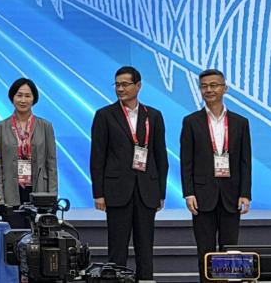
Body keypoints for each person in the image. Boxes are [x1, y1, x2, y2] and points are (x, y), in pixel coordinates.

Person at [91, 66, 168, 283]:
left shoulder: (153, 116)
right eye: (117, 84)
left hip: (147, 190)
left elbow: (160, 157)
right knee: (117, 247)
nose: (120, 89)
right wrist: (98, 193)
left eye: (125, 84)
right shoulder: (104, 115)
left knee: (145, 247)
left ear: (138, 86)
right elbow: (97, 157)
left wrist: (160, 192)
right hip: (117, 190)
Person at [181, 69, 251, 283]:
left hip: (232, 195)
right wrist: (189, 193)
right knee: (205, 249)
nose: (209, 90)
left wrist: (245, 193)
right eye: (204, 86)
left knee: (230, 249)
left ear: (225, 88)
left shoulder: (240, 122)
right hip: (202, 196)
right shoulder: (191, 121)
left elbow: (245, 161)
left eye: (214, 85)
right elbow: (186, 161)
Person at [0, 77, 57, 221]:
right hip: (10, 191)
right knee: (14, 231)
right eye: (19, 95)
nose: (23, 100)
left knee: (37, 233)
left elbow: (51, 163)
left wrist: (52, 197)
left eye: (27, 96)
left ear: (34, 99)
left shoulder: (46, 126)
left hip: (39, 190)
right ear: (12, 97)